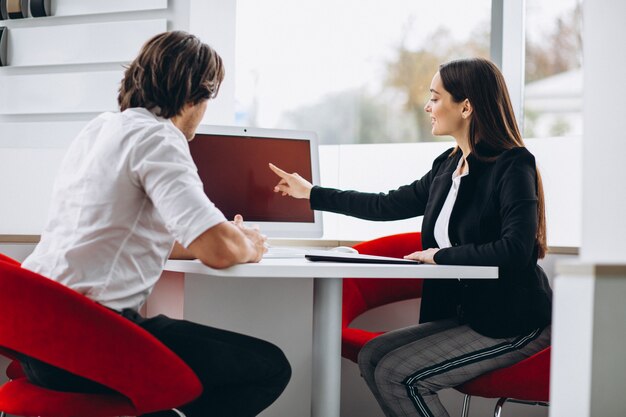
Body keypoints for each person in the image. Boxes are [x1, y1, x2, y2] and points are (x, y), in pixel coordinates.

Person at [20, 31, 291, 417]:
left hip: (38, 340)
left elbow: (131, 235)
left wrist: (226, 239)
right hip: (86, 339)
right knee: (268, 367)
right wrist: (249, 243)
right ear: (197, 94)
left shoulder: (101, 128)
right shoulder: (160, 137)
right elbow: (218, 251)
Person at [269, 57, 552, 417]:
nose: (427, 106)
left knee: (396, 374)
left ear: (465, 106)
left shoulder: (513, 165)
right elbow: (384, 205)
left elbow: (515, 249)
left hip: (515, 322)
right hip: (471, 317)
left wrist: (439, 256)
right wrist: (312, 193)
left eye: (435, 97)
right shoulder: (446, 167)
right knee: (373, 356)